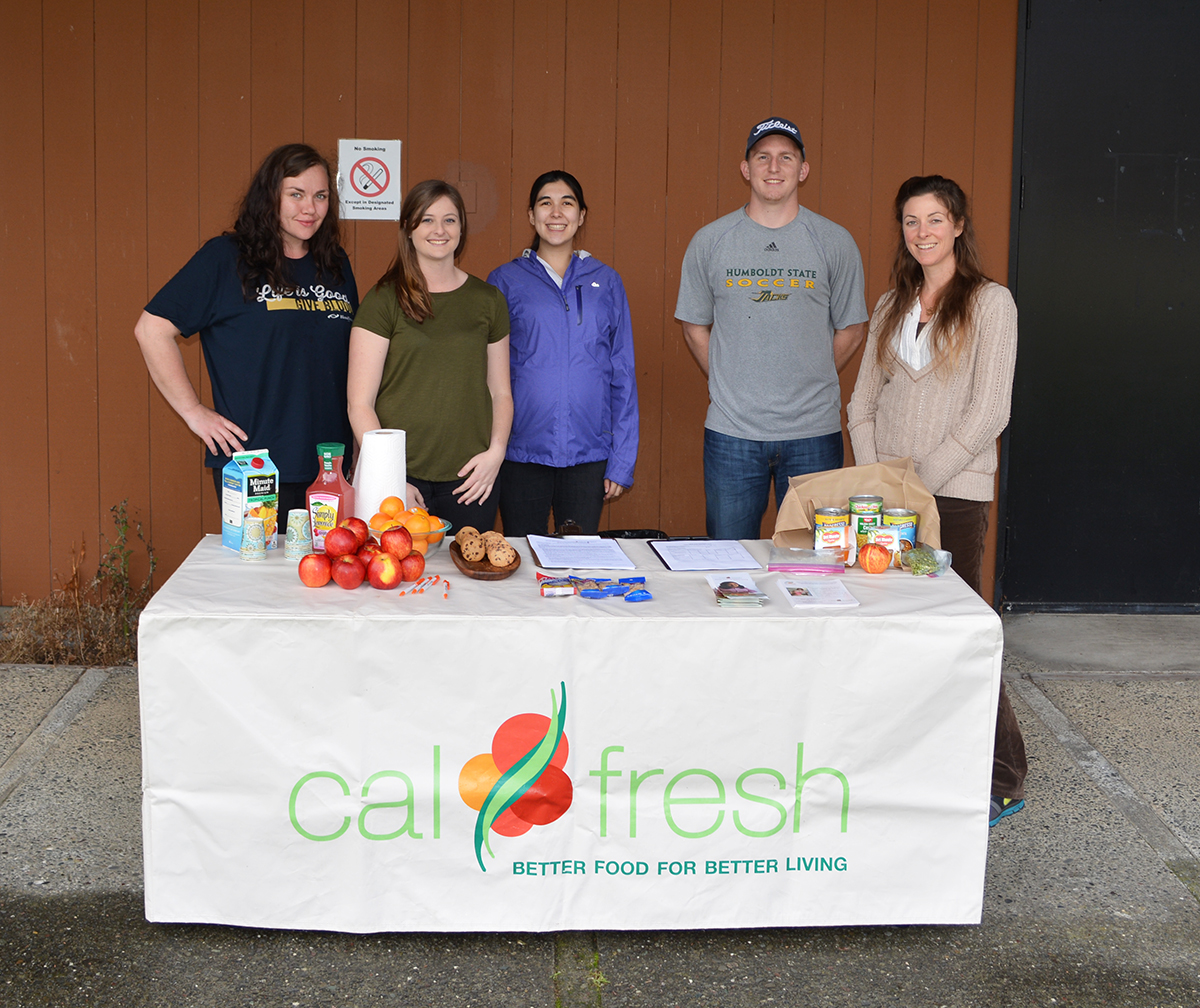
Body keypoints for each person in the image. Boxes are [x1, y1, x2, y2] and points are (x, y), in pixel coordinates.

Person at [847, 174, 1027, 826]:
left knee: (959, 631)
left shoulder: (991, 304)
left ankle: (1004, 775)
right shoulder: (892, 305)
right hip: (889, 498)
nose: (922, 233)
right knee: (895, 631)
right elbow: (861, 402)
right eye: (911, 222)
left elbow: (988, 412)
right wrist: (879, 480)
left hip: (951, 498)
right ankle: (920, 759)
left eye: (934, 220)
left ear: (957, 225)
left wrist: (919, 482)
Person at [135, 143, 357, 520]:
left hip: (329, 467)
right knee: (260, 576)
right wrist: (193, 412)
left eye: (321, 196)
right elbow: (151, 329)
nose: (310, 208)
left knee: (328, 575)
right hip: (257, 465)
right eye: (296, 194)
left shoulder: (334, 264)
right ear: (270, 196)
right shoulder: (227, 258)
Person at [675, 116, 868, 540]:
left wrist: (811, 374)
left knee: (810, 566)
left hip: (813, 433)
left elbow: (852, 328)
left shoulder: (834, 241)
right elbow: (693, 325)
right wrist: (730, 380)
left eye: (786, 157)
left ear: (803, 170)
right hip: (732, 433)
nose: (774, 167)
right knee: (730, 560)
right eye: (763, 157)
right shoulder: (711, 240)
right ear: (746, 169)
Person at [346, 180, 512, 533]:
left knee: (470, 584)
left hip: (472, 480)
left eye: (450, 220)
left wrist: (495, 455)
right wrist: (391, 481)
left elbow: (501, 392)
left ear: (462, 228)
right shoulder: (383, 299)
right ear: (408, 228)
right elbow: (359, 403)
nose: (439, 230)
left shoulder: (489, 300)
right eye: (427, 220)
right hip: (399, 481)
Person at [486, 171, 639, 536]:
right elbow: (484, 372)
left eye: (567, 203)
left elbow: (623, 372)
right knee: (521, 561)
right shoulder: (504, 281)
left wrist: (621, 461)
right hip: (520, 452)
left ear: (582, 215)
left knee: (579, 565)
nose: (556, 213)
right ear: (530, 215)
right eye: (545, 203)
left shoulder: (607, 281)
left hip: (588, 455)